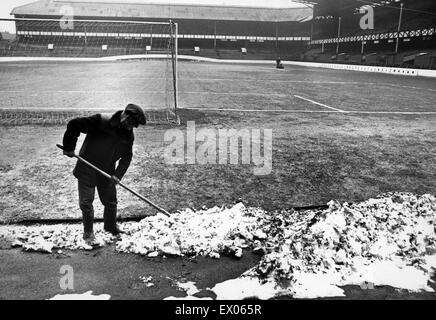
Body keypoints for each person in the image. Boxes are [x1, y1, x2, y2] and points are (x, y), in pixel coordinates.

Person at [62, 104, 146, 245]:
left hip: (106, 172)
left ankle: (110, 227)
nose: (132, 128)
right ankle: (88, 233)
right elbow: (74, 124)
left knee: (111, 202)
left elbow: (127, 157)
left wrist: (118, 175)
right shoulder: (101, 121)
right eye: (132, 123)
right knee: (86, 203)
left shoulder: (128, 134)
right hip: (87, 169)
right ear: (125, 116)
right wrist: (69, 147)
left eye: (135, 126)